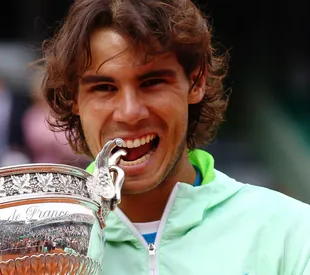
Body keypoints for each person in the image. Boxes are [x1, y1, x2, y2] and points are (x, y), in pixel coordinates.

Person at [38, 0, 310, 274]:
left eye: (152, 82)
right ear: (74, 98)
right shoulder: (38, 246)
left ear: (196, 82)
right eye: (105, 87)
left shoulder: (292, 235)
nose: (130, 113)